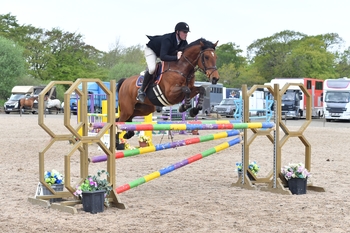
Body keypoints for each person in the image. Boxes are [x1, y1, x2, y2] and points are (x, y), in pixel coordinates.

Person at [136, 22, 190, 103]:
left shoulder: (184, 42)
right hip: (152, 50)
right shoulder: (168, 39)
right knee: (152, 69)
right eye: (184, 32)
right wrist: (176, 57)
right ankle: (141, 90)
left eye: (187, 32)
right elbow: (163, 57)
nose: (186, 34)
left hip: (164, 53)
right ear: (177, 32)